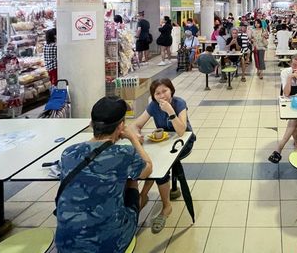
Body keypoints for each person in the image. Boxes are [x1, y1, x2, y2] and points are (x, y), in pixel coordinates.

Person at [55, 96, 153, 252]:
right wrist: (133, 138)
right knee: (132, 179)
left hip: (65, 242)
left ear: (91, 123)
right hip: (109, 243)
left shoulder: (68, 152)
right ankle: (131, 214)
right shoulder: (124, 153)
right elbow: (147, 168)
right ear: (121, 126)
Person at [133, 78, 195, 233]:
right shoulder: (153, 106)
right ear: (153, 96)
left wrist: (170, 112)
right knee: (151, 161)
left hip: (183, 143)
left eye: (165, 91)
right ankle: (144, 196)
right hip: (163, 143)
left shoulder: (179, 103)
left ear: (171, 90)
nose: (162, 96)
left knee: (161, 166)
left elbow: (181, 131)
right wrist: (136, 133)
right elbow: (136, 124)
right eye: (157, 93)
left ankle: (165, 206)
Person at [268, 54, 297, 163]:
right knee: (294, 122)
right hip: (289, 102)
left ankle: (282, 148)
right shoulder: (285, 72)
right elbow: (286, 93)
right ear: (290, 63)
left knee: (294, 123)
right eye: (294, 65)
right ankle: (295, 144)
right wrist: (289, 78)